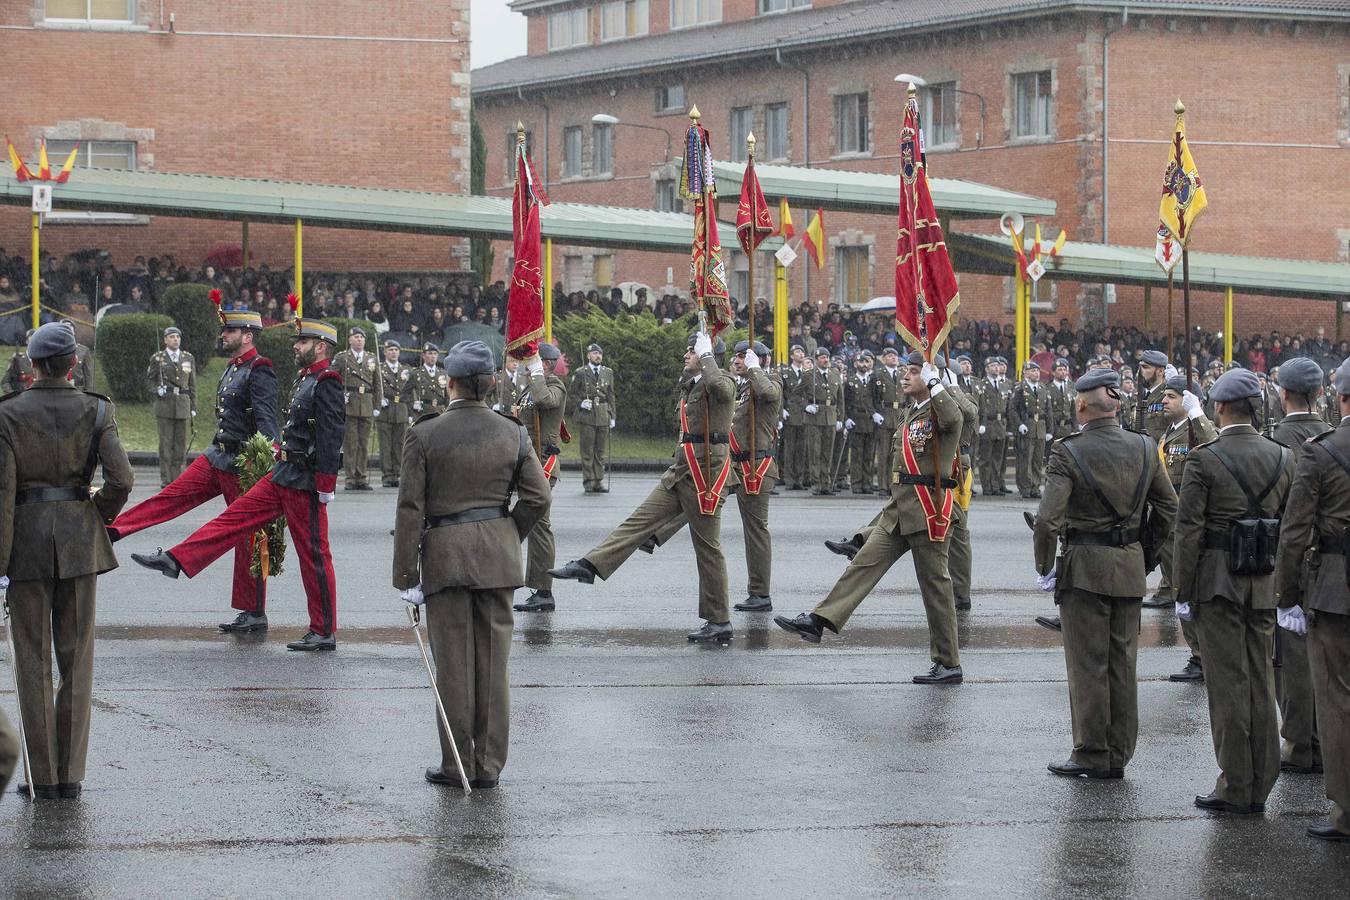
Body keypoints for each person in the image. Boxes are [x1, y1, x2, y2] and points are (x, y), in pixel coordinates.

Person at [130, 317, 346, 652]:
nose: (295, 346)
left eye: (302, 342)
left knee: (313, 555)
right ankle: (176, 559)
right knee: (234, 519)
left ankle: (323, 631)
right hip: (283, 474)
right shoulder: (306, 378)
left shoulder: (327, 381)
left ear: (320, 347)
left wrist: (325, 486)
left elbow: (331, 437)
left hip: (304, 482)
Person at [394, 340, 551, 790]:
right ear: (492, 383)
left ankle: (457, 763)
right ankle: (488, 766)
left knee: (454, 666)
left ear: (450, 383)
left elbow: (410, 508)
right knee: (494, 666)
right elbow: (538, 497)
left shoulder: (424, 433)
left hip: (444, 558)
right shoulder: (512, 432)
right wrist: (507, 533)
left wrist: (406, 575)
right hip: (497, 558)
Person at [1, 322, 134, 799]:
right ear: (73, 364)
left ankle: (42, 776)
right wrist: (93, 515)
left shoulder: (7, 413)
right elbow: (121, 480)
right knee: (77, 661)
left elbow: (3, 495)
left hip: (25, 546)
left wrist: (0, 562)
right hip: (80, 543)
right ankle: (71, 774)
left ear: (33, 365)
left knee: (32, 661)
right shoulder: (97, 409)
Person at [775, 351, 965, 685]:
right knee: (862, 565)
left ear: (929, 376)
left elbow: (955, 420)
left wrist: (937, 383)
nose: (905, 376)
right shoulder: (911, 411)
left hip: (929, 511)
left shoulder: (941, 408)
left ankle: (948, 663)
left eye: (913, 372)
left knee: (936, 589)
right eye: (905, 370)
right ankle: (819, 620)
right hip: (899, 511)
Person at [1032, 368, 1176, 779]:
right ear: (1116, 405)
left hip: (1084, 570)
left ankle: (1092, 752)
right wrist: (1143, 555)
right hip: (1129, 567)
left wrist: (1044, 566)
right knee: (1122, 663)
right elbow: (1169, 508)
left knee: (1088, 664)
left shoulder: (1067, 451)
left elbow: (1047, 520)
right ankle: (1119, 752)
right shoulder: (1145, 445)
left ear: (1081, 405)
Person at [550, 332, 737, 642]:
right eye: (689, 350)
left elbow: (724, 391)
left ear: (709, 355)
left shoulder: (723, 380)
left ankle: (719, 621)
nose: (686, 355)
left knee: (708, 549)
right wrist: (698, 365)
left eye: (692, 351)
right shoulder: (693, 383)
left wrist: (707, 357)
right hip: (682, 469)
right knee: (638, 520)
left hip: (706, 475)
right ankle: (590, 565)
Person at [109, 306, 280, 634]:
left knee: (245, 537)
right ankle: (115, 530)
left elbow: (267, 421)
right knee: (171, 495)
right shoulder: (233, 368)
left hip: (241, 464)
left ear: (247, 336)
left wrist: (264, 462)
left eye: (230, 331)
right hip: (217, 455)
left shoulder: (260, 370)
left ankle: (253, 612)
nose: (223, 335)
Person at [1173, 368, 1295, 814]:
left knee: (1227, 684)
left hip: (1217, 583)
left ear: (1220, 407)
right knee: (1261, 680)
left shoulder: (1204, 459)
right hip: (1264, 582)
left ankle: (1236, 783)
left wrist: (1182, 590)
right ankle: (1262, 779)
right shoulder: (1283, 456)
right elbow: (1288, 527)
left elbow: (1188, 531)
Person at [635, 340, 784, 612]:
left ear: (763, 360)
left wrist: (755, 370)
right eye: (736, 356)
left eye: (744, 357)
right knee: (697, 500)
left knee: (755, 530)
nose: (737, 361)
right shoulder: (736, 385)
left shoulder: (770, 380)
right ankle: (655, 535)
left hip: (756, 465)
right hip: (732, 461)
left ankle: (760, 594)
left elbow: (768, 393)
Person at [1274, 356, 1350, 842]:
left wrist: (1287, 594)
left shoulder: (1321, 451)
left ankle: (1347, 811)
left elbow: (1294, 529)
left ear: (1339, 395)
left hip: (1334, 587)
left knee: (1337, 700)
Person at [1268, 357, 1332, 776]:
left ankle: (1300, 743)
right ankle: (1329, 740)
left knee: (1291, 658)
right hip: (1332, 561)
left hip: (1291, 557)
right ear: (1321, 393)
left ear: (1282, 394)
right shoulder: (1332, 437)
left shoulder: (1275, 441)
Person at [1151, 376, 1218, 677]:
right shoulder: (1170, 432)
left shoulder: (1195, 428)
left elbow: (1214, 445)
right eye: (1164, 396)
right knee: (1179, 590)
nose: (1164, 401)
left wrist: (1197, 414)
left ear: (1188, 400)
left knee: (1188, 589)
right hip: (1167, 523)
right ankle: (1198, 653)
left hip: (1186, 522)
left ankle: (1202, 657)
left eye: (1172, 396)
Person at [512, 343, 568, 612]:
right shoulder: (530, 388)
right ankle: (537, 587)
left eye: (531, 361)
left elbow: (546, 401)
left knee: (540, 525)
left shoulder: (555, 385)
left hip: (543, 463)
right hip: (528, 462)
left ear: (544, 363)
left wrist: (536, 374)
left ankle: (544, 591)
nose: (526, 365)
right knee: (534, 525)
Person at [332, 327, 383, 491]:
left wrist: (377, 404)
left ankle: (361, 477)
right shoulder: (342, 358)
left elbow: (377, 384)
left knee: (363, 444)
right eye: (356, 337)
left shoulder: (371, 358)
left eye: (361, 337)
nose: (359, 339)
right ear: (350, 340)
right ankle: (350, 478)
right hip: (350, 405)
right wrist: (339, 397)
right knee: (350, 443)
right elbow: (332, 379)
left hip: (367, 404)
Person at [147, 326, 197, 487]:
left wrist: (193, 406)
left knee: (180, 444)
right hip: (164, 405)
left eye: (177, 337)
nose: (175, 339)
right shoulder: (158, 358)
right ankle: (166, 478)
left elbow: (192, 384)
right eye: (172, 337)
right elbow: (150, 381)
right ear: (165, 340)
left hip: (183, 404)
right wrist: (157, 389)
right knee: (165, 444)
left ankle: (178, 478)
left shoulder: (188, 358)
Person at [572, 342, 616, 494]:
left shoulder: (608, 372)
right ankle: (588, 480)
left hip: (603, 414)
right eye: (595, 353)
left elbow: (611, 395)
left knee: (600, 451)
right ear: (588, 356)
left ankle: (598, 480)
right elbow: (573, 393)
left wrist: (613, 416)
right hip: (587, 415)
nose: (598, 356)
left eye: (600, 354)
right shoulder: (580, 372)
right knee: (587, 450)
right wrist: (581, 403)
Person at [805, 347, 843, 495]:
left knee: (828, 452)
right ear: (816, 360)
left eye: (827, 357)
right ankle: (816, 483)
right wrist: (806, 406)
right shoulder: (809, 375)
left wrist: (840, 418)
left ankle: (826, 484)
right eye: (822, 357)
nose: (825, 360)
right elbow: (796, 395)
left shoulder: (835, 374)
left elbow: (840, 399)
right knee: (815, 452)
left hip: (831, 417)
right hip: (815, 417)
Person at [376, 339, 413, 488]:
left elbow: (411, 391)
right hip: (385, 410)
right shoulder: (379, 369)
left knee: (400, 445)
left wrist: (411, 410)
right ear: (385, 352)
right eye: (390, 350)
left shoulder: (406, 369)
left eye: (396, 350)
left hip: (401, 410)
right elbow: (375, 387)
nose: (393, 352)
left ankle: (398, 473)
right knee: (385, 446)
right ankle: (387, 475)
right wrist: (378, 401)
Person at [1009, 360, 1049, 499]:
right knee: (1026, 460)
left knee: (1038, 460)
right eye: (1033, 371)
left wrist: (1049, 429)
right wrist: (1019, 424)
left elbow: (1048, 410)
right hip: (1027, 426)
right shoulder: (1020, 388)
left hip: (1040, 428)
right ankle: (1025, 487)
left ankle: (1035, 487)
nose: (1036, 373)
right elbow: (1013, 409)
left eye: (1037, 371)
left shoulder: (1043, 388)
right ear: (1025, 373)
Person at [844, 350, 881, 493]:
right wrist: (846, 418)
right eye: (861, 362)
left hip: (870, 421)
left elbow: (876, 399)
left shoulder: (872, 381)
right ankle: (856, 484)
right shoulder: (850, 382)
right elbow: (845, 402)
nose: (864, 364)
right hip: (856, 420)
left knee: (869, 455)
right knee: (857, 455)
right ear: (855, 364)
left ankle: (867, 483)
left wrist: (876, 414)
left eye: (866, 362)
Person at [975, 357, 1010, 496]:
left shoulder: (1002, 384)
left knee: (997, 458)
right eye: (993, 366)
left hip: (1000, 424)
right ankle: (986, 486)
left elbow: (1007, 407)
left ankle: (995, 485)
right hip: (988, 424)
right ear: (986, 369)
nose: (996, 368)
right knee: (985, 458)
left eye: (997, 365)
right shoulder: (981, 385)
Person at [779, 345, 809, 490]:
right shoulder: (785, 373)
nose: (801, 354)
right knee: (789, 448)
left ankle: (799, 479)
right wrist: (782, 410)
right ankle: (789, 479)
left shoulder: (807, 374)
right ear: (792, 356)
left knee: (801, 449)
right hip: (790, 414)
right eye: (798, 352)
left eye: (802, 352)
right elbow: (781, 394)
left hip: (804, 414)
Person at [875, 347, 903, 494]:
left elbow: (909, 396)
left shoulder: (903, 374)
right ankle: (882, 485)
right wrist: (875, 413)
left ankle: (893, 484)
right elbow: (873, 396)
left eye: (895, 356)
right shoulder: (878, 374)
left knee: (896, 455)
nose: (893, 358)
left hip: (899, 416)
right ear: (884, 359)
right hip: (884, 415)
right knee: (884, 453)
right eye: (890, 356)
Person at [1133, 350, 1169, 440]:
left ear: (1160, 371)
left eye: (1145, 367)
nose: (1140, 372)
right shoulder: (1139, 396)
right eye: (1140, 367)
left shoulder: (1166, 397)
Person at [410, 343, 449, 417]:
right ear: (423, 356)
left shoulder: (443, 373)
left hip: (441, 412)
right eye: (430, 353)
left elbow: (447, 395)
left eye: (435, 354)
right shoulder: (416, 374)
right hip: (423, 413)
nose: (433, 356)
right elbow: (406, 394)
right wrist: (413, 405)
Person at [2, 328, 35, 393]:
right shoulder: (18, 360)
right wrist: (14, 395)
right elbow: (5, 382)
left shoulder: (44, 361)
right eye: (31, 338)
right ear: (27, 341)